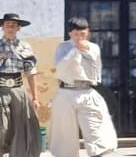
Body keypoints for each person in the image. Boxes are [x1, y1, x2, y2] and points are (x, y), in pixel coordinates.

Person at [48, 17, 118, 157]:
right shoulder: (63, 47)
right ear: (70, 34)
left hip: (87, 91)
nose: (80, 37)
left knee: (97, 130)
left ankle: (100, 153)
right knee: (64, 136)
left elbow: (97, 69)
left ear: (88, 33)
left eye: (83, 34)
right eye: (76, 34)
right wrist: (75, 51)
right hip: (66, 91)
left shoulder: (94, 48)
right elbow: (60, 70)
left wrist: (86, 53)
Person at [0, 13, 41, 157]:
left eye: (13, 25)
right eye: (7, 25)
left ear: (19, 28)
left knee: (21, 130)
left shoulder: (25, 48)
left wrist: (35, 98)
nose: (10, 28)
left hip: (19, 91)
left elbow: (31, 73)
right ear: (2, 27)